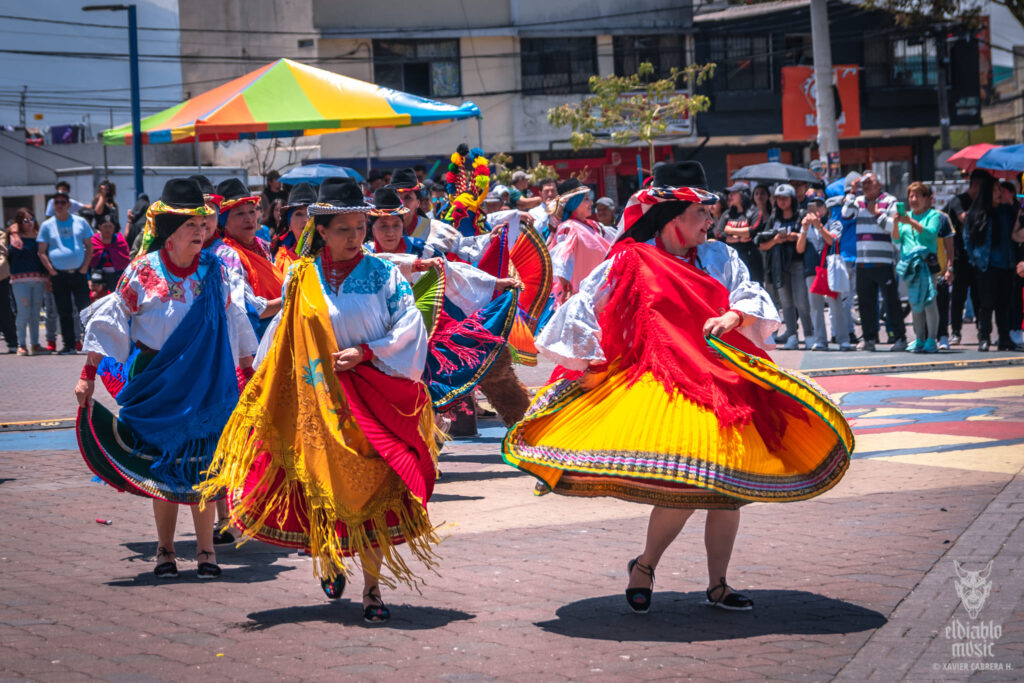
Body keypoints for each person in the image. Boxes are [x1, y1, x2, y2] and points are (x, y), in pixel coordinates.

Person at [503, 162, 852, 614]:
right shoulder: (632, 258)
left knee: (729, 485)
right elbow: (584, 307)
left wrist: (734, 316)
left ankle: (717, 584)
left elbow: (749, 294)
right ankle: (646, 565)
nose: (710, 221)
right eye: (700, 214)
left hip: (725, 380)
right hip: (667, 382)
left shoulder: (718, 257)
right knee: (688, 481)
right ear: (673, 218)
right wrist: (590, 366)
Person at [199, 178, 440, 623]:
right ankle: (329, 555)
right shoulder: (301, 278)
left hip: (371, 401)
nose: (355, 237)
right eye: (344, 228)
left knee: (372, 493)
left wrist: (366, 352)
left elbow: (411, 331)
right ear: (321, 230)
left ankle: (372, 590)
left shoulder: (384, 275)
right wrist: (262, 383)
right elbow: (283, 335)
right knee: (322, 485)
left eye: (359, 227)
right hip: (316, 403)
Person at [75, 178, 258, 579]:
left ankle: (207, 552)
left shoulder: (214, 270)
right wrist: (88, 375)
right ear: (169, 233)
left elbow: (235, 320)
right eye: (190, 224)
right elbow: (111, 322)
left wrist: (248, 371)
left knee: (204, 466)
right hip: (157, 379)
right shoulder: (142, 272)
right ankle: (166, 550)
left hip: (207, 381)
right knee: (164, 467)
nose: (200, 230)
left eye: (201, 223)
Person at [843, 171, 907, 352]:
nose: (866, 186)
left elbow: (894, 228)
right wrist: (852, 192)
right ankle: (869, 338)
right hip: (863, 262)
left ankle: (900, 337)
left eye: (870, 182)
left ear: (879, 185)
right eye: (863, 183)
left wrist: (877, 214)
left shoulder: (890, 200)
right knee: (865, 303)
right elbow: (846, 214)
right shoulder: (858, 200)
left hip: (883, 262)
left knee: (891, 302)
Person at [212, 178, 284, 338]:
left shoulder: (263, 245)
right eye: (240, 213)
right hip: (254, 337)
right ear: (224, 222)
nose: (249, 218)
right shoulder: (226, 254)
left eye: (252, 211)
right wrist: (288, 300)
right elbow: (248, 306)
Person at [964, 175, 1021, 351]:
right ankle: (984, 337)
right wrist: (975, 259)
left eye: (1000, 190)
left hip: (1007, 264)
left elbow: (1017, 230)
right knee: (986, 304)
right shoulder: (978, 212)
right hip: (986, 265)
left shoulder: (1007, 210)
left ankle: (1004, 338)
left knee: (1004, 304)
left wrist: (1013, 202)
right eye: (996, 189)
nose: (998, 193)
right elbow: (967, 238)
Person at [37, 188, 93, 354]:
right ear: (53, 206)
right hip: (59, 275)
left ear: (69, 204)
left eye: (63, 202)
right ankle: (69, 345)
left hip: (79, 273)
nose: (59, 205)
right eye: (56, 202)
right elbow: (41, 252)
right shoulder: (47, 225)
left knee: (84, 309)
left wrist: (84, 268)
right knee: (64, 311)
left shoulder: (80, 222)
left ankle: (90, 344)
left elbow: (90, 247)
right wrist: (52, 272)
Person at [756, 184, 811, 349]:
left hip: (798, 262)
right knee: (786, 303)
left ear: (792, 199)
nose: (782, 202)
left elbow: (808, 238)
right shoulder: (773, 218)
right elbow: (762, 244)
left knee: (801, 301)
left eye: (785, 198)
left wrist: (795, 237)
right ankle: (792, 336)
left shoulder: (800, 215)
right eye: (779, 198)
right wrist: (776, 240)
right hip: (779, 265)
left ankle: (809, 335)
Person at [891, 182, 941, 353]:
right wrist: (896, 223)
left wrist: (910, 221)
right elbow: (897, 240)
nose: (913, 199)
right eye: (911, 196)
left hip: (926, 265)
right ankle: (919, 339)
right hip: (910, 267)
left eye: (918, 196)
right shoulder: (905, 217)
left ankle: (932, 340)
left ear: (927, 199)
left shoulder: (933, 215)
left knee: (929, 301)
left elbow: (930, 233)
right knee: (915, 303)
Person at [797, 196, 851, 351]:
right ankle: (820, 340)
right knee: (815, 306)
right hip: (812, 269)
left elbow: (832, 241)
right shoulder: (806, 225)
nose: (817, 209)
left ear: (826, 209)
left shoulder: (834, 223)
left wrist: (819, 226)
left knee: (836, 304)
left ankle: (843, 339)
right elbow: (800, 248)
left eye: (820, 206)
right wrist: (805, 229)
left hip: (830, 268)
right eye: (814, 206)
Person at [548, 178, 610, 305]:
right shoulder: (568, 228)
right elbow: (563, 260)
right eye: (586, 199)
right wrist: (567, 288)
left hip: (601, 292)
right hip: (580, 297)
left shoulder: (594, 226)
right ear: (574, 203)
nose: (591, 203)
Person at [945, 169, 988, 345]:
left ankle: (981, 330)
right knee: (958, 295)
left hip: (978, 257)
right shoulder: (959, 200)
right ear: (975, 185)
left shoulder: (983, 202)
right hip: (960, 256)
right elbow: (964, 218)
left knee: (979, 295)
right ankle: (955, 331)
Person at [7, 209, 50, 355]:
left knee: (35, 313)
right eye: (25, 220)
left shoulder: (39, 237)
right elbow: (15, 252)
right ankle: (21, 344)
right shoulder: (15, 237)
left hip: (38, 279)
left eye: (31, 219)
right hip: (20, 280)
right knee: (23, 312)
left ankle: (35, 344)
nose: (30, 223)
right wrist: (14, 232)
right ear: (19, 222)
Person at [716, 183, 764, 284]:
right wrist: (737, 239)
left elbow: (751, 232)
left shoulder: (755, 212)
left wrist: (729, 230)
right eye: (729, 194)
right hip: (731, 260)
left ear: (743, 195)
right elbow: (719, 234)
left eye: (733, 193)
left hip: (751, 260)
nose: (730, 196)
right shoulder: (727, 214)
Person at [270, 182, 316, 273]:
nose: (306, 219)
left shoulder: (331, 256)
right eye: (299, 214)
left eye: (311, 213)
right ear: (289, 225)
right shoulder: (281, 262)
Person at [89, 211, 131, 292]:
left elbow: (125, 259)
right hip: (97, 278)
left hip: (117, 277)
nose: (107, 229)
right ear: (99, 227)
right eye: (105, 226)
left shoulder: (120, 241)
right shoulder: (94, 241)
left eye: (110, 226)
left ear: (114, 227)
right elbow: (89, 261)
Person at [389, 168, 432, 239]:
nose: (401, 204)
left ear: (418, 203)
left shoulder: (431, 230)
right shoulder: (380, 230)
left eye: (408, 197)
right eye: (396, 197)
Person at [0, 223, 18, 353]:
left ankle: (12, 342)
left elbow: (2, 254)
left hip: (1, 278)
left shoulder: (1, 234)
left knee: (5, 311)